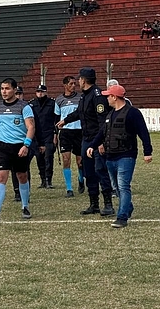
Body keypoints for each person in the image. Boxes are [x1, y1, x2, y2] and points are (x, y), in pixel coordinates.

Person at [86, 84, 152, 228]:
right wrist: (92, 145)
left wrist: (148, 152)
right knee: (117, 186)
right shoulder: (110, 114)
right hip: (110, 157)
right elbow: (102, 133)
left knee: (123, 186)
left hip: (126, 156)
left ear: (115, 97)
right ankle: (127, 207)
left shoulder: (133, 113)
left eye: (108, 96)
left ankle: (122, 217)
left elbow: (143, 133)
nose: (106, 99)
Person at [56, 68, 115, 217]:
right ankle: (94, 204)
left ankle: (108, 204)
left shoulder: (97, 96)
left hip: (96, 140)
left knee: (101, 171)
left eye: (80, 79)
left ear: (85, 80)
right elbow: (79, 113)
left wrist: (101, 142)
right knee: (89, 172)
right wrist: (65, 120)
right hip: (86, 139)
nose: (78, 82)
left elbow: (103, 121)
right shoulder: (84, 96)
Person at [0, 78, 36, 223]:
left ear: (14, 90)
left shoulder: (24, 107)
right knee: (1, 177)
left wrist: (26, 145)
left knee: (22, 176)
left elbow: (31, 127)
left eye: (7, 88)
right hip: (2, 147)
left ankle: (25, 206)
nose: (4, 91)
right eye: (2, 88)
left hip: (19, 146)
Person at [55, 76, 85, 198]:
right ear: (65, 85)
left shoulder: (80, 98)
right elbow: (56, 119)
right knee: (66, 160)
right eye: (71, 84)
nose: (74, 86)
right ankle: (69, 188)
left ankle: (81, 180)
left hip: (79, 131)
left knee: (80, 162)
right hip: (65, 133)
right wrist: (55, 134)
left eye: (74, 83)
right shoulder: (59, 100)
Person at [29, 84, 57, 189]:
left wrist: (55, 134)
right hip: (36, 135)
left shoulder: (52, 103)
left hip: (49, 134)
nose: (40, 93)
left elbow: (56, 119)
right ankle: (42, 180)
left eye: (42, 91)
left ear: (46, 92)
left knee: (48, 158)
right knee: (39, 158)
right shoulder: (32, 104)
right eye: (38, 92)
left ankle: (48, 180)